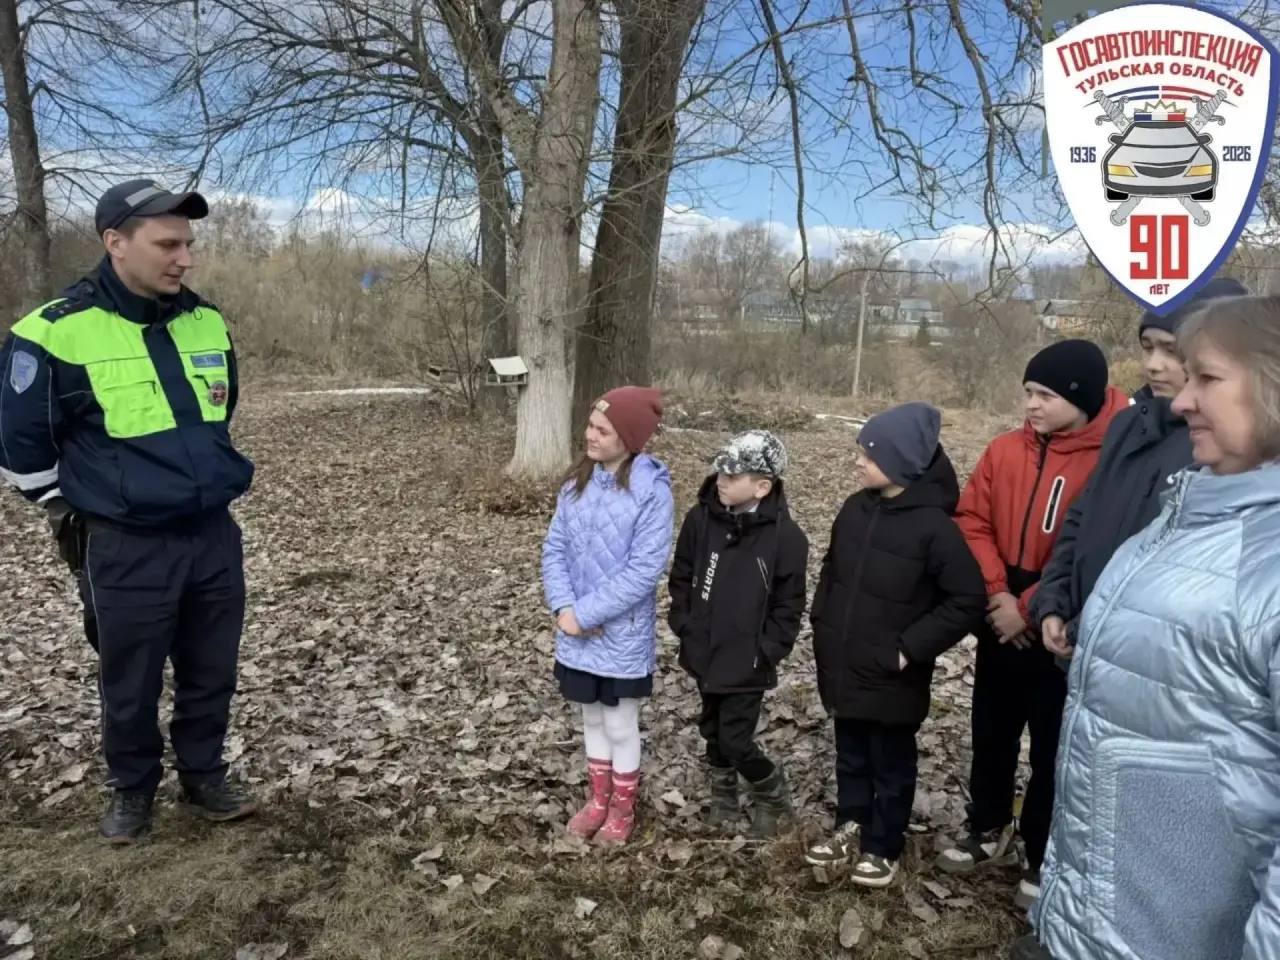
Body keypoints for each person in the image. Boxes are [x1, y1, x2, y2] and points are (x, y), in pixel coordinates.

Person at [1013, 296, 1280, 960]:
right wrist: (1056, 600)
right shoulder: (1182, 515)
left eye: (1206, 377)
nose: (1181, 398)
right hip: (1093, 922)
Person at [0, 180, 256, 842]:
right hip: (124, 544)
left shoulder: (206, 321)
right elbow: (21, 445)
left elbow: (219, 413)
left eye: (188, 244)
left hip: (211, 535)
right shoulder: (52, 333)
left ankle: (204, 776)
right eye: (168, 245)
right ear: (115, 242)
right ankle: (133, 789)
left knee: (211, 670)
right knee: (130, 680)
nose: (185, 259)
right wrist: (71, 512)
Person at [938, 340, 1127, 906]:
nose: (1031, 405)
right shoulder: (1004, 451)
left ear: (1082, 397)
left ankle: (1043, 849)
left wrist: (1032, 605)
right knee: (992, 728)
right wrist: (998, 594)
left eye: (1045, 395)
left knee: (1052, 742)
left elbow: (1095, 545)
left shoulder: (1112, 459)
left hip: (1062, 617)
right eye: (1028, 392)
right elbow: (972, 519)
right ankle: (986, 824)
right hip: (1000, 613)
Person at [805, 403, 986, 887]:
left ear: (902, 462)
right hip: (845, 662)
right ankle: (851, 824)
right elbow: (831, 570)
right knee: (850, 754)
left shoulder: (935, 528)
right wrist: (822, 621)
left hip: (893, 675)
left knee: (890, 762)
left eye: (869, 455)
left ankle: (882, 845)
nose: (858, 462)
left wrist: (908, 649)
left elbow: (967, 598)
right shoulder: (854, 509)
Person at [1032, 278, 1248, 669]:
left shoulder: (1226, 446)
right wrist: (1053, 602)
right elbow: (1082, 517)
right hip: (1080, 649)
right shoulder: (1127, 425)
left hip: (1150, 660)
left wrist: (1088, 623)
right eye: (1148, 346)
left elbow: (1184, 573)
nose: (1153, 364)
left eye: (1171, 350)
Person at [542, 385, 674, 845]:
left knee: (619, 723)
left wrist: (586, 613)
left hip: (621, 636)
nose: (590, 435)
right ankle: (597, 800)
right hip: (576, 632)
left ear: (629, 437)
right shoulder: (575, 484)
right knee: (592, 720)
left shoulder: (652, 492)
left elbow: (644, 570)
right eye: (590, 425)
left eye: (602, 429)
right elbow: (554, 549)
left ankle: (622, 808)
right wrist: (565, 608)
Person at [667, 430, 809, 838]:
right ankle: (724, 798)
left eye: (732, 476)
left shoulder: (786, 538)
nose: (721, 481)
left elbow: (789, 605)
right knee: (712, 730)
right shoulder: (701, 520)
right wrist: (685, 623)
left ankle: (772, 795)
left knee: (735, 738)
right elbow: (682, 575)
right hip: (704, 649)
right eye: (720, 472)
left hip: (748, 660)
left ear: (762, 486)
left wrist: (768, 650)